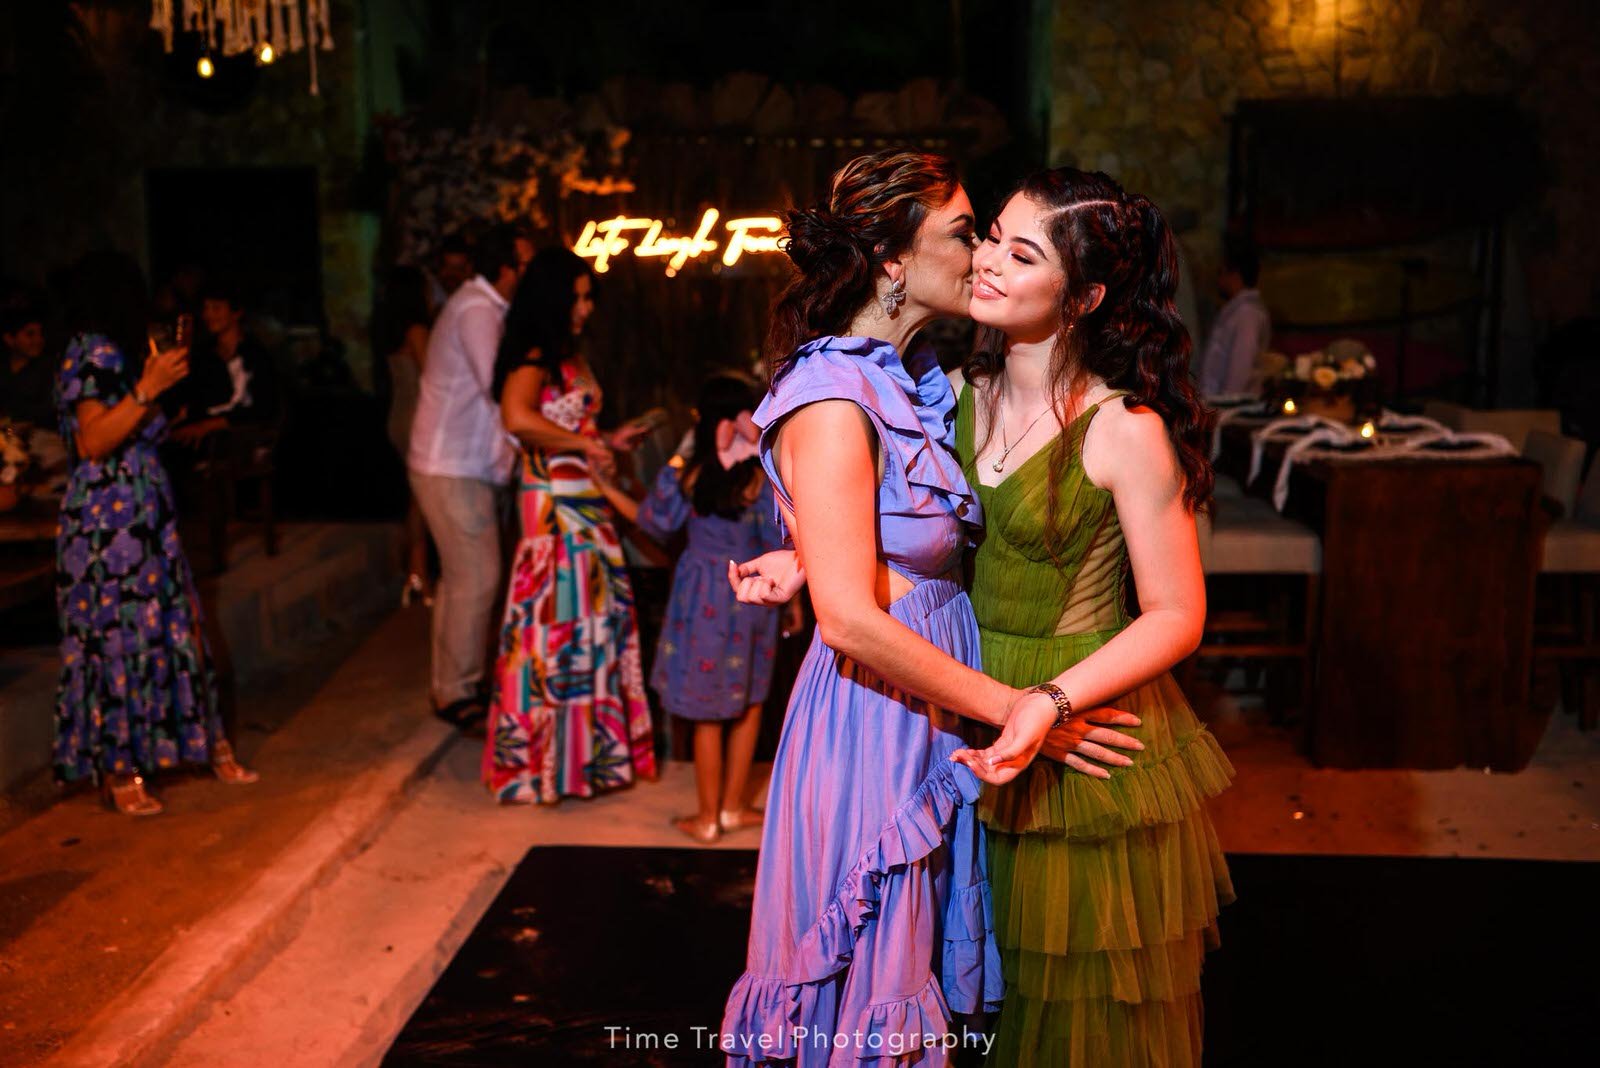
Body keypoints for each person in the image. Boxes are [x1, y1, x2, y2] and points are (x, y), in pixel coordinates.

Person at [737, 168, 1235, 1066]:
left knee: (1070, 1010)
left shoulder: (1125, 428)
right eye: (988, 236)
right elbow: (909, 526)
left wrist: (1049, 702)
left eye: (1021, 252)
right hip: (963, 712)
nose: (989, 263)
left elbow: (1176, 615)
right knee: (960, 982)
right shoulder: (953, 393)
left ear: (1083, 297)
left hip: (1077, 716)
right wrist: (811, 557)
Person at [52, 251, 257, 816]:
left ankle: (202, 746)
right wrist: (146, 391)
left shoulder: (122, 350)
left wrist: (163, 389)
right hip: (107, 521)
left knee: (176, 626)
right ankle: (121, 771)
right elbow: (93, 441)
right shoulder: (90, 350)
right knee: (116, 639)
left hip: (145, 511)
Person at [482, 247, 657, 803]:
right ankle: (544, 764)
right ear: (552, 299)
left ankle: (585, 762)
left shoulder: (568, 355)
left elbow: (570, 429)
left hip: (586, 500)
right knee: (554, 628)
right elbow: (517, 418)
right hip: (553, 506)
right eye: (576, 297)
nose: (585, 307)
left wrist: (606, 440)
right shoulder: (533, 355)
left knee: (590, 626)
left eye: (588, 297)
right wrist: (584, 444)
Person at [592, 373, 792, 842]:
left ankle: (707, 817)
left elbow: (654, 520)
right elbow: (782, 536)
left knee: (708, 713)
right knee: (750, 702)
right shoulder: (762, 477)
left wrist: (608, 485)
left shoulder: (689, 474)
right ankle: (732, 808)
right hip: (753, 592)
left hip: (701, 596)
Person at [408, 225, 522, 730]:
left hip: (454, 463)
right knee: (478, 577)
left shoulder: (480, 306)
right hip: (452, 464)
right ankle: (458, 690)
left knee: (462, 578)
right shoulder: (477, 309)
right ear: (507, 270)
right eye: (523, 265)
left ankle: (451, 685)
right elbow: (498, 389)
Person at [377, 265, 434, 606]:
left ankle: (415, 571)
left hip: (398, 415)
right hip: (417, 418)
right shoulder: (416, 330)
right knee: (421, 498)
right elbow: (432, 377)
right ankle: (417, 571)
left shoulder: (391, 331)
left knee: (417, 496)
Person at [1195, 233, 1269, 397]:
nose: (1218, 280)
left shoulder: (1247, 315)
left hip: (1229, 407)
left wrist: (1225, 405)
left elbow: (1240, 370)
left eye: (1221, 272)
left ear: (1234, 275)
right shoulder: (1236, 312)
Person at [1, 300, 54, 428]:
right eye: (30, 334)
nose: (38, 340)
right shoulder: (3, 366)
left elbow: (46, 412)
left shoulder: (48, 369)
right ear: (9, 339)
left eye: (40, 334)